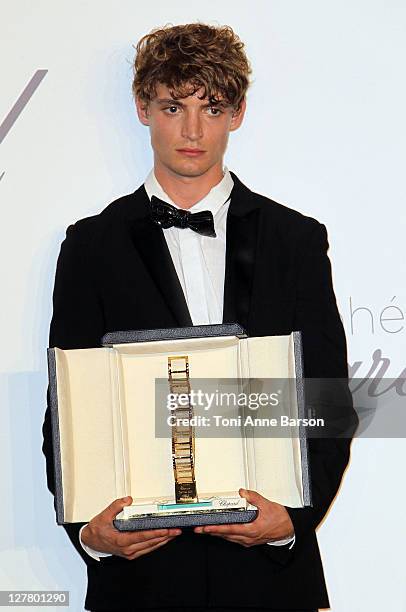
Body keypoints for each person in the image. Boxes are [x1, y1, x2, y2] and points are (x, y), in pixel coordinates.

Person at [42, 22, 357, 612]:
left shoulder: (296, 240)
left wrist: (291, 519)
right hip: (142, 581)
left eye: (211, 108)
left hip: (271, 579)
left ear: (238, 113)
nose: (192, 130)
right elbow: (68, 411)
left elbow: (327, 400)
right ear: (143, 108)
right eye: (172, 106)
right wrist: (90, 533)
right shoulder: (90, 247)